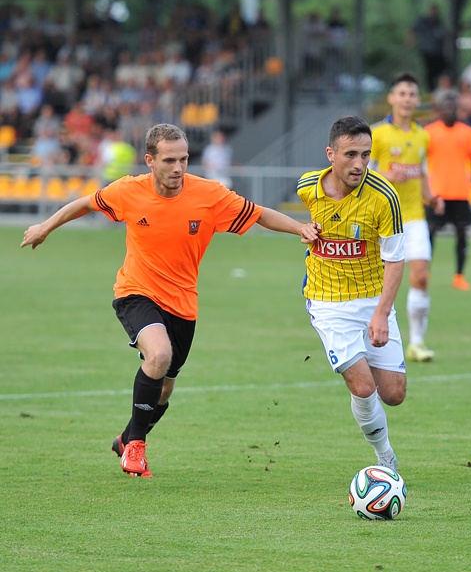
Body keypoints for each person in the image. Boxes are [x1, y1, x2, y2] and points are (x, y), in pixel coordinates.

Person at [20, 123, 319, 478]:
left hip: (183, 304)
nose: (178, 168)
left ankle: (127, 436)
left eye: (184, 159)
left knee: (164, 391)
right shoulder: (128, 191)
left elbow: (259, 213)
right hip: (136, 292)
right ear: (150, 160)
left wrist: (299, 228)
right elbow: (84, 203)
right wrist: (44, 227)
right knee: (158, 354)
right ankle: (136, 449)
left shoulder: (210, 195)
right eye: (170, 160)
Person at [296, 115, 406, 472]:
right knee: (362, 387)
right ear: (331, 154)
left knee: (393, 394)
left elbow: (395, 260)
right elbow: (307, 223)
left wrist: (381, 313)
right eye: (350, 154)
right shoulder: (307, 188)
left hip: (375, 298)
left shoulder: (384, 197)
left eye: (366, 155)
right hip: (328, 302)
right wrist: (306, 231)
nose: (359, 164)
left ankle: (362, 370)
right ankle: (386, 460)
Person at [370, 72, 444, 362]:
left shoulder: (422, 135)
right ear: (391, 98)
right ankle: (373, 333)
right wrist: (385, 174)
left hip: (413, 217)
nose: (407, 99)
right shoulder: (377, 135)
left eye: (412, 94)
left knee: (421, 276)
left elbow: (422, 171)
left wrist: (431, 197)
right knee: (375, 282)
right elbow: (362, 173)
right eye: (402, 93)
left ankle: (416, 342)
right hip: (381, 218)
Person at [425, 91, 471, 291]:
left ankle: (459, 276)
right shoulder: (430, 133)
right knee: (430, 231)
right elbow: (421, 164)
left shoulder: (468, 133)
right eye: (446, 107)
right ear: (439, 110)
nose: (449, 111)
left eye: (453, 107)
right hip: (437, 194)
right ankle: (426, 270)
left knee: (462, 232)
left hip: (460, 193)